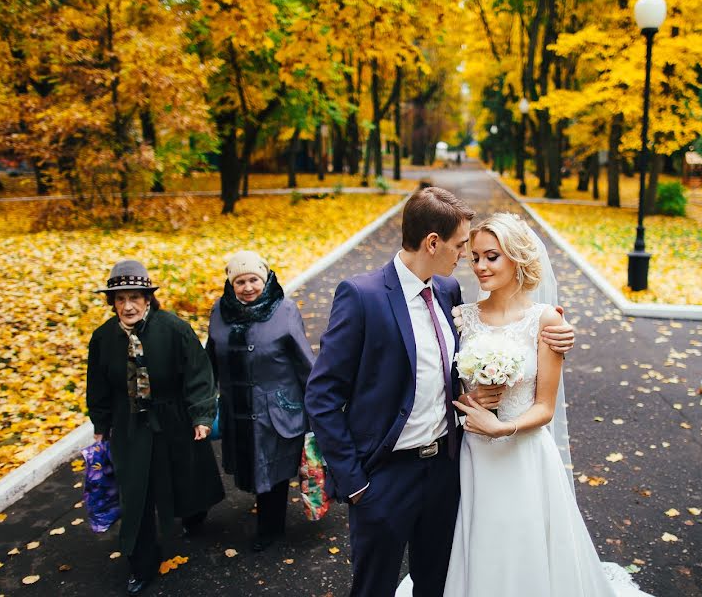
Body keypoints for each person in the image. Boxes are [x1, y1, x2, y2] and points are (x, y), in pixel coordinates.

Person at [305, 187, 575, 597]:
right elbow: (322, 395)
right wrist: (354, 481)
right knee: (374, 587)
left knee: (438, 585)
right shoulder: (362, 296)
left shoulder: (449, 294)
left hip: (450, 471)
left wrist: (481, 396)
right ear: (433, 242)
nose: (467, 256)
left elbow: (457, 369)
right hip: (385, 478)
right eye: (462, 245)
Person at [444, 213, 650, 597]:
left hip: (523, 454)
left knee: (526, 543)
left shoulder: (547, 321)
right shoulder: (463, 317)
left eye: (492, 256)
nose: (480, 266)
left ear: (517, 257)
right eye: (474, 257)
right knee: (483, 538)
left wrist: (502, 427)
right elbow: (452, 389)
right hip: (476, 454)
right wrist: (473, 401)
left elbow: (545, 408)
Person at [86, 260, 224, 596]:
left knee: (184, 475)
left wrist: (201, 416)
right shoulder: (103, 338)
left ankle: (194, 515)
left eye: (135, 297)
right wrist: (101, 424)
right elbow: (98, 385)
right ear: (112, 302)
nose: (128, 305)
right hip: (129, 423)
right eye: (120, 299)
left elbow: (198, 374)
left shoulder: (174, 329)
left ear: (148, 298)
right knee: (137, 494)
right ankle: (142, 561)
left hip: (174, 415)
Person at [206, 250, 314, 551]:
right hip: (237, 407)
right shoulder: (220, 310)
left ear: (265, 279)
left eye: (254, 279)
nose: (248, 287)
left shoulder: (284, 309)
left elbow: (305, 361)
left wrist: (319, 407)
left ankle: (270, 528)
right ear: (231, 285)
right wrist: (202, 399)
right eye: (240, 281)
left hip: (275, 407)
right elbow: (211, 356)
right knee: (253, 465)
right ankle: (266, 515)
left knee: (274, 469)